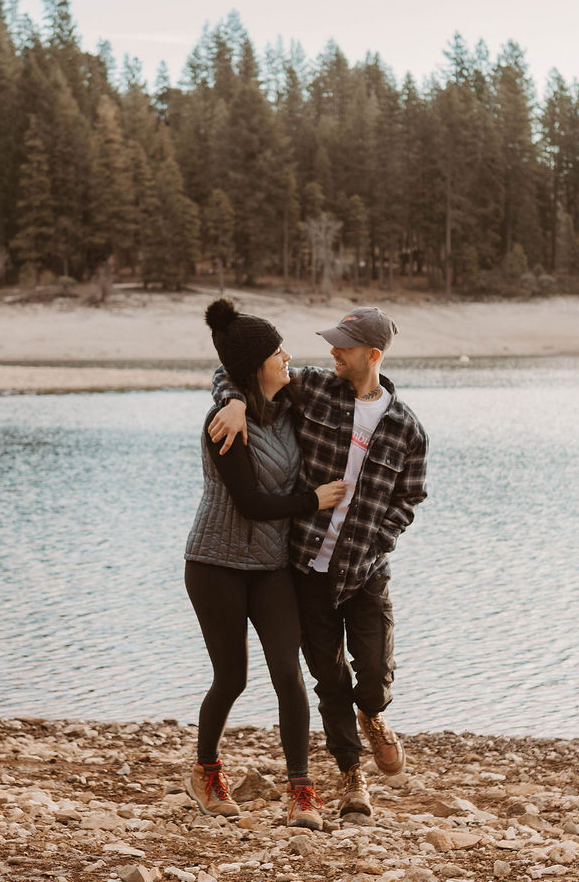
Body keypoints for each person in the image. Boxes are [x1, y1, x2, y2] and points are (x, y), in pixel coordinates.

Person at [208, 306, 428, 820]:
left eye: (343, 346)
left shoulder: (406, 428)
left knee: (371, 674)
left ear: (371, 356)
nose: (332, 352)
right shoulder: (313, 390)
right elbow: (235, 368)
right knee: (328, 682)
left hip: (366, 571)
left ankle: (372, 714)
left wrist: (380, 538)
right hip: (306, 569)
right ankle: (353, 783)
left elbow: (411, 496)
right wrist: (236, 400)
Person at [182, 298, 348, 830]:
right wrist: (312, 500)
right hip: (216, 564)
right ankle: (205, 772)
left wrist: (230, 391)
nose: (289, 357)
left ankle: (302, 790)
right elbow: (251, 503)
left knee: (288, 675)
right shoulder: (224, 425)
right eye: (279, 351)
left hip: (271, 564)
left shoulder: (287, 403)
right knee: (231, 678)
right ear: (257, 364)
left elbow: (227, 373)